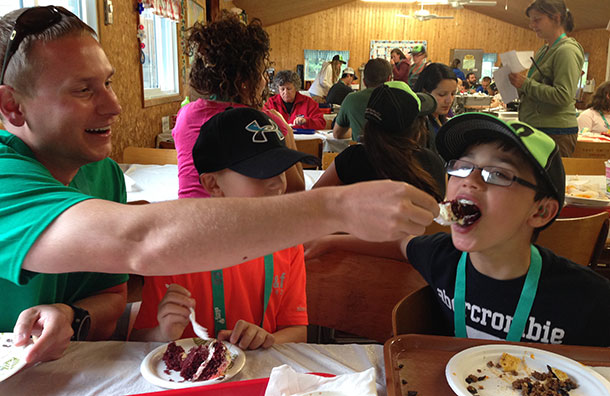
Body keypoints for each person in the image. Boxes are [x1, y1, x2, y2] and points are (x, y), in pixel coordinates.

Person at [0, 5, 440, 365]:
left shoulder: (104, 173)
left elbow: (111, 297)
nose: (114, 106)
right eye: (83, 89)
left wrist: (72, 315)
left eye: (109, 83)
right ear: (12, 106)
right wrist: (335, 209)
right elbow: (139, 239)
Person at [308, 113, 610, 347]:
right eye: (463, 166)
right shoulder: (443, 258)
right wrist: (330, 242)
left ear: (540, 211)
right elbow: (401, 244)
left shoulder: (589, 300)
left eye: (498, 173)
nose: (470, 180)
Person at [132, 108, 315, 348]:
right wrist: (162, 333)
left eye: (281, 170)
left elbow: (297, 330)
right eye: (260, 173)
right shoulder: (173, 250)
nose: (277, 183)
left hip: (262, 374)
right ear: (213, 184)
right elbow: (137, 341)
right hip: (190, 377)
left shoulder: (288, 243)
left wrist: (267, 340)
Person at [173, 13, 305, 199]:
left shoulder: (185, 114)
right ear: (244, 80)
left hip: (190, 217)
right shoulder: (266, 122)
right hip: (240, 221)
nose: (265, 80)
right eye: (261, 73)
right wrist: (286, 130)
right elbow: (296, 191)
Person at [314, 81, 445, 201]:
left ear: (368, 126)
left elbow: (315, 200)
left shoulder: (352, 159)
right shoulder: (431, 163)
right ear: (417, 130)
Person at [509, 0, 584, 157]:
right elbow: (536, 87)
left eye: (537, 19)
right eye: (531, 20)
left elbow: (563, 95)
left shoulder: (566, 50)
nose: (532, 25)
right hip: (539, 128)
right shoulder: (545, 49)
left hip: (555, 132)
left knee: (551, 181)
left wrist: (525, 84)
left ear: (556, 18)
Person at [333, 58, 392, 142]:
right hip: (393, 153)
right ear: (389, 79)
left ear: (364, 81)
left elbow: (337, 134)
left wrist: (354, 132)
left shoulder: (351, 99)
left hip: (362, 152)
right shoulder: (399, 99)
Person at [413, 63, 458, 139]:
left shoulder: (441, 118)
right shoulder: (418, 128)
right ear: (425, 93)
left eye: (453, 94)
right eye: (442, 94)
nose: (449, 101)